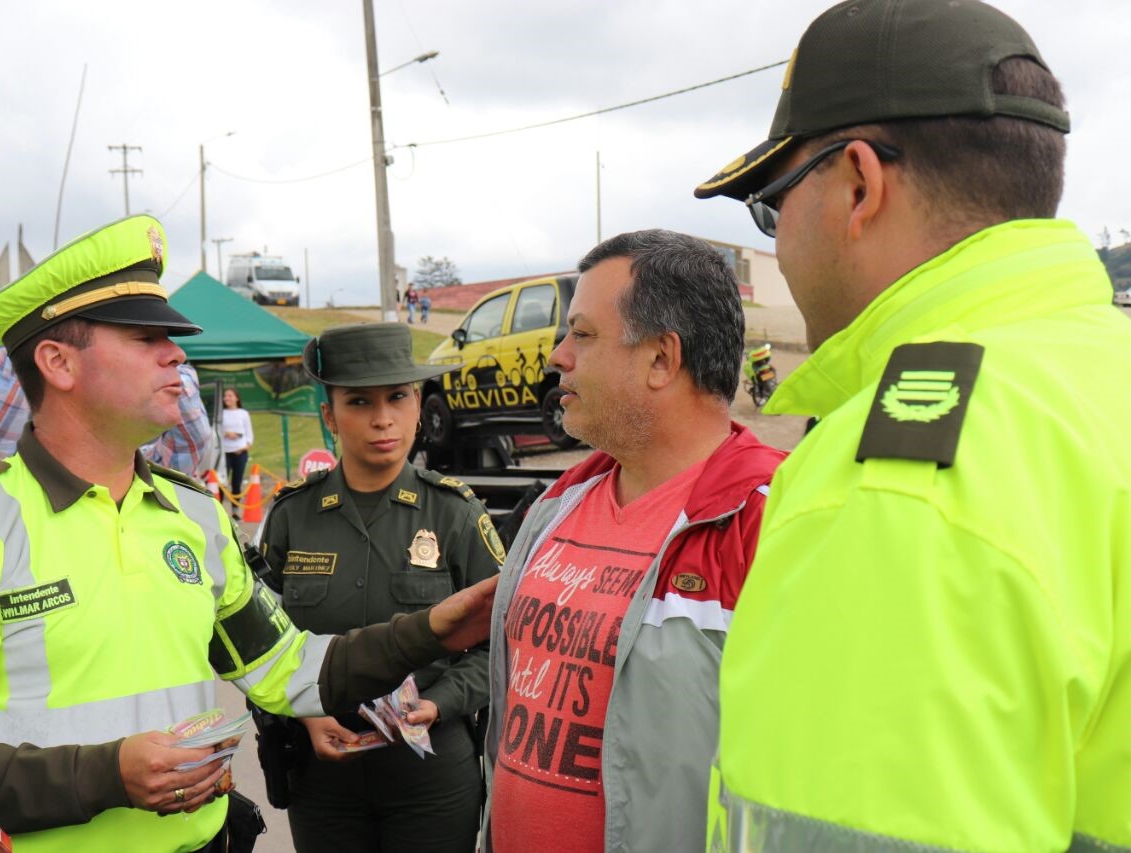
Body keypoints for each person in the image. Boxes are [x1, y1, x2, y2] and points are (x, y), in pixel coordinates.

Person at [0, 214, 498, 853]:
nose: (177, 353)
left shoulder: (194, 516)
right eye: (147, 336)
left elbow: (289, 668)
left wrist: (433, 630)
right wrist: (109, 775)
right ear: (57, 362)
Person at [694, 1, 1131, 849]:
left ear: (859, 184)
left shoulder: (889, 484)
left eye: (773, 203)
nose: (779, 243)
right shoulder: (1102, 371)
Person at [481, 230, 786, 852]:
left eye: (582, 334)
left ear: (660, 360)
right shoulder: (556, 505)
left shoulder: (772, 521)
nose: (557, 356)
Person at [257, 323, 502, 853]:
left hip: (431, 775)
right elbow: (259, 641)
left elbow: (501, 645)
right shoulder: (291, 516)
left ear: (418, 405)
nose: (383, 418)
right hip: (322, 778)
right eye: (359, 402)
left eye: (398, 397)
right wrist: (305, 713)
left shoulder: (455, 514)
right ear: (329, 416)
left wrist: (439, 702)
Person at [0, 345, 213, 477]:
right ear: (59, 362)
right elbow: (2, 455)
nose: (177, 353)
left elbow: (191, 443)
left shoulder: (142, 473)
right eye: (142, 339)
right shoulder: (25, 481)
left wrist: (164, 375)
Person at [220, 388, 253, 517]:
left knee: (236, 482)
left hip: (240, 452)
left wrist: (246, 446)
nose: (227, 398)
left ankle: (235, 511)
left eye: (230, 395)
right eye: (225, 396)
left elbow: (249, 433)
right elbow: (215, 431)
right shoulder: (221, 413)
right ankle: (220, 509)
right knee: (222, 482)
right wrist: (226, 434)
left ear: (236, 398)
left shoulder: (243, 413)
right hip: (224, 452)